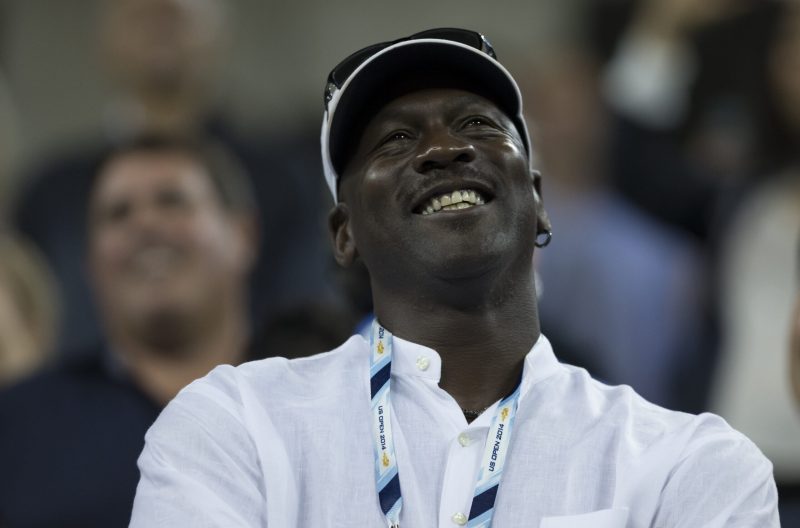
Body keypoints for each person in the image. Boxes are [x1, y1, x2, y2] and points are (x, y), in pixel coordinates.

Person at [130, 29, 778, 526]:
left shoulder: (688, 465)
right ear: (344, 234)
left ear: (540, 200)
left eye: (478, 125)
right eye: (394, 140)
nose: (443, 149)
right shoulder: (234, 427)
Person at [0, 136, 257, 527]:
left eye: (172, 201)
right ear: (90, 264)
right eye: (118, 214)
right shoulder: (16, 428)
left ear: (242, 235)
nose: (146, 223)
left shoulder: (319, 397)